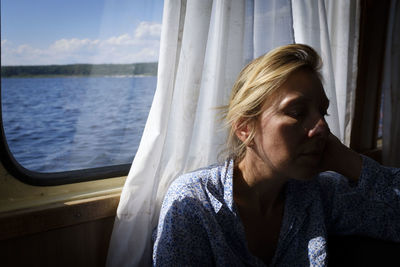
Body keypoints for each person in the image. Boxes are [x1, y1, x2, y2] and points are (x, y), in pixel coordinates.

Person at [152, 44, 400, 266]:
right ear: (245, 128)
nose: (323, 128)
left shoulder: (320, 194)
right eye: (297, 112)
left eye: (323, 113)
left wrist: (350, 161)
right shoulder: (195, 203)